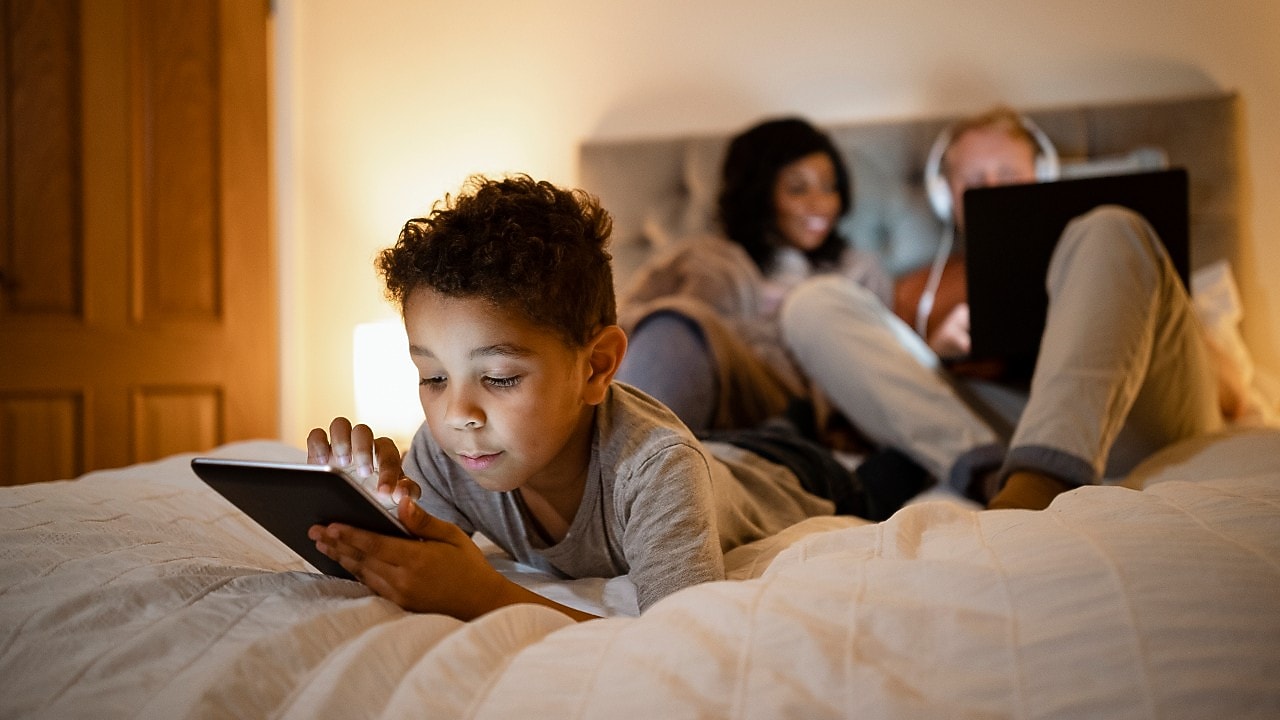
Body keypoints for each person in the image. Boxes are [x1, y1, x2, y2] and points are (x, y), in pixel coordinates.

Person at [306, 175, 857, 622]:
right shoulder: (445, 453)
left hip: (791, 473)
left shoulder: (656, 471)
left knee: (879, 476)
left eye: (498, 378)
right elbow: (414, 559)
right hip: (714, 454)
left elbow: (687, 639)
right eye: (432, 377)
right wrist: (361, 516)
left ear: (596, 367)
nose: (457, 416)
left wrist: (486, 597)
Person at [780, 106, 1222, 511]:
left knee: (1111, 226)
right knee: (812, 302)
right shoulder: (919, 289)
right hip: (1000, 437)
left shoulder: (1100, 249)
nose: (991, 191)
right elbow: (885, 405)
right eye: (973, 184)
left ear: (1041, 175)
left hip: (1140, 420)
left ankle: (1041, 481)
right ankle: (993, 479)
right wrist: (934, 358)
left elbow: (1220, 381)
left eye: (1007, 176)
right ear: (946, 197)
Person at [616, 117, 891, 433]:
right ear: (759, 194)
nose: (820, 204)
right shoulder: (705, 257)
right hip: (699, 385)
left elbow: (878, 366)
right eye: (798, 188)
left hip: (793, 405)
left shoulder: (857, 270)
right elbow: (622, 322)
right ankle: (644, 461)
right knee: (676, 322)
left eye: (830, 188)